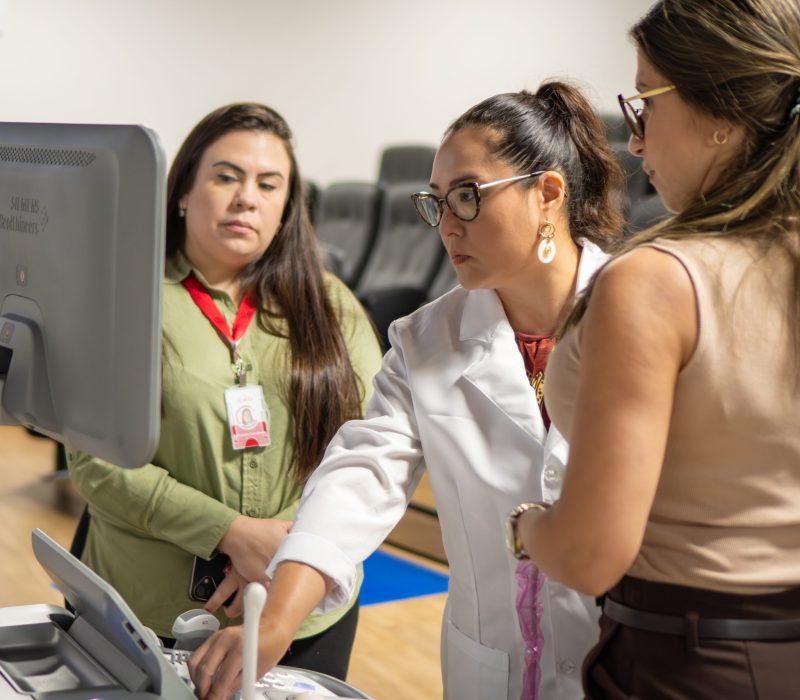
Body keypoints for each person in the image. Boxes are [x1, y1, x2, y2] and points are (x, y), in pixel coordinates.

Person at [189, 81, 624, 700]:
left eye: (467, 197)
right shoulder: (425, 341)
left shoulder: (643, 313)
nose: (445, 225)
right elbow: (359, 477)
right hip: (491, 669)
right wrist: (278, 622)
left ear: (548, 194)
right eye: (436, 202)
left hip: (625, 661)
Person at [513, 1, 800, 698]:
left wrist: (525, 528)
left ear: (722, 113)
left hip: (689, 661)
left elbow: (588, 554)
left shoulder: (657, 282)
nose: (635, 143)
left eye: (644, 103)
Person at [66, 103, 383, 679]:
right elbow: (95, 462)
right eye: (226, 177)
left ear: (286, 207)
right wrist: (231, 533)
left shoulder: (331, 305)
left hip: (303, 611)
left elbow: (365, 449)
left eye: (268, 184)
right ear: (184, 192)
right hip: (145, 606)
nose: (246, 199)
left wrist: (284, 547)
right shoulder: (122, 298)